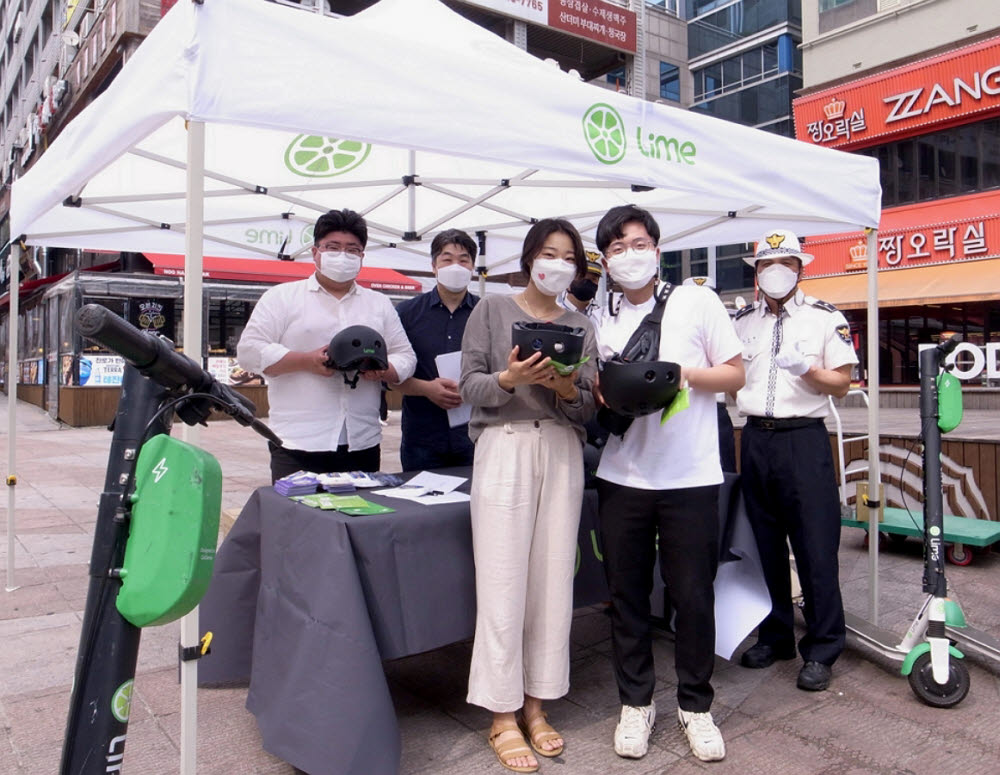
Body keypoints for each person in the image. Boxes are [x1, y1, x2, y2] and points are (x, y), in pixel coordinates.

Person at [593, 205, 744, 763]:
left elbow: (735, 372)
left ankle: (695, 705)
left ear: (656, 248)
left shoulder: (696, 301)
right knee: (626, 596)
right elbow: (592, 386)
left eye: (637, 243)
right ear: (605, 261)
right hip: (621, 476)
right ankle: (635, 702)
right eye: (616, 248)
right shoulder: (598, 315)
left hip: (691, 477)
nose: (628, 255)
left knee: (692, 595)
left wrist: (681, 375)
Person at [460, 218, 597, 774]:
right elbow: (470, 385)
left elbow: (587, 405)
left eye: (568, 257)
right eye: (548, 253)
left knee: (551, 581)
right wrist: (512, 378)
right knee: (501, 580)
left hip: (561, 450)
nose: (557, 264)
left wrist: (564, 387)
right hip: (503, 446)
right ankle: (501, 713)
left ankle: (537, 705)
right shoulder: (491, 310)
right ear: (529, 258)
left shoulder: (581, 324)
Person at [733, 228, 857, 692]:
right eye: (766, 264)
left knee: (815, 549)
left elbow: (842, 383)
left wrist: (807, 370)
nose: (775, 272)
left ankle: (823, 647)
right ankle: (776, 635)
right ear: (757, 272)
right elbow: (731, 380)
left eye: (784, 263)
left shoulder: (825, 318)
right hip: (756, 440)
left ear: (801, 269)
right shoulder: (742, 321)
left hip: (803, 439)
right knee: (763, 547)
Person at [237, 208, 416, 483]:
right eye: (333, 247)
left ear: (362, 256)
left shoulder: (378, 303)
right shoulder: (282, 298)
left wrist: (384, 369)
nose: (343, 255)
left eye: (352, 249)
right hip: (298, 441)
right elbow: (249, 351)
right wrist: (305, 360)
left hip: (362, 443)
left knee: (358, 520)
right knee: (296, 522)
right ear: (315, 251)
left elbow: (405, 356)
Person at [393, 228, 479, 471]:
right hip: (422, 437)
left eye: (464, 260)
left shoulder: (486, 314)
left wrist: (473, 388)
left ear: (472, 267)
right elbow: (388, 375)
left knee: (472, 506)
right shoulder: (406, 314)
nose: (456, 266)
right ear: (434, 266)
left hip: (473, 437)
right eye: (447, 259)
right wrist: (425, 388)